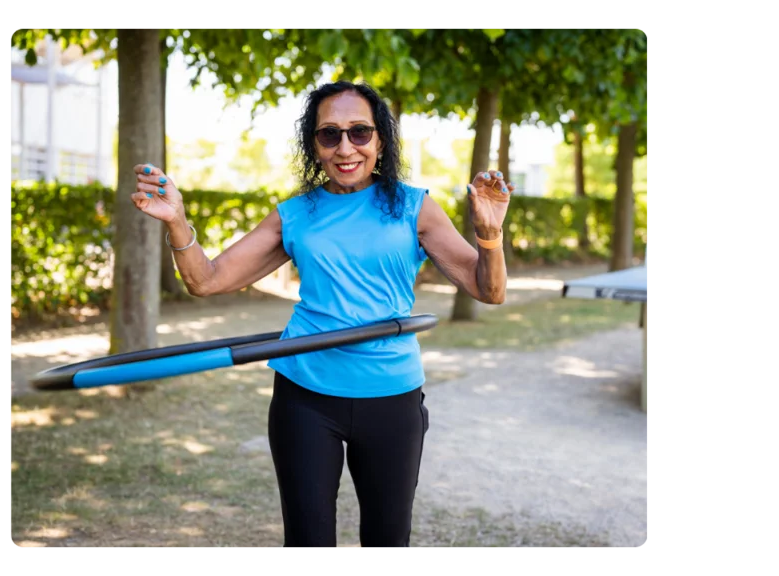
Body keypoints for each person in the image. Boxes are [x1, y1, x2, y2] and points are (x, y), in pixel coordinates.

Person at [131, 81, 514, 551]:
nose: (346, 147)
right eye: (329, 135)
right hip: (305, 394)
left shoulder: (415, 208)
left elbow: (488, 290)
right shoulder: (296, 214)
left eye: (359, 132)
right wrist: (176, 220)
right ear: (313, 145)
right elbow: (206, 281)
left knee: (388, 541)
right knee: (308, 544)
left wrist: (489, 234)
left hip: (391, 395)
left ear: (380, 140)